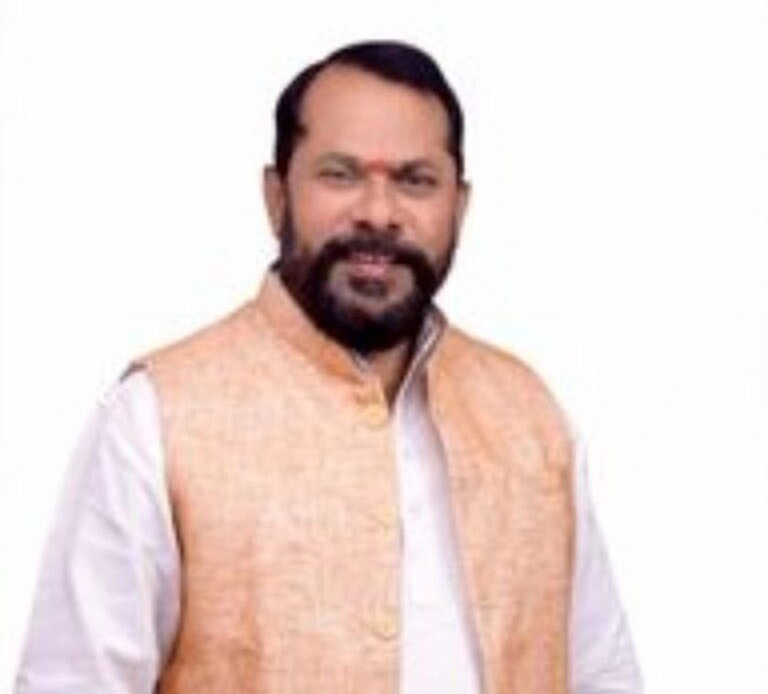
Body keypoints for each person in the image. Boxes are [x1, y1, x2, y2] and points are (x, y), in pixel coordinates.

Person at [15, 41, 642, 693]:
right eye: (340, 174)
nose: (378, 212)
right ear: (276, 197)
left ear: (458, 206)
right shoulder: (158, 416)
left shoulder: (528, 414)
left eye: (415, 180)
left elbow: (603, 676)